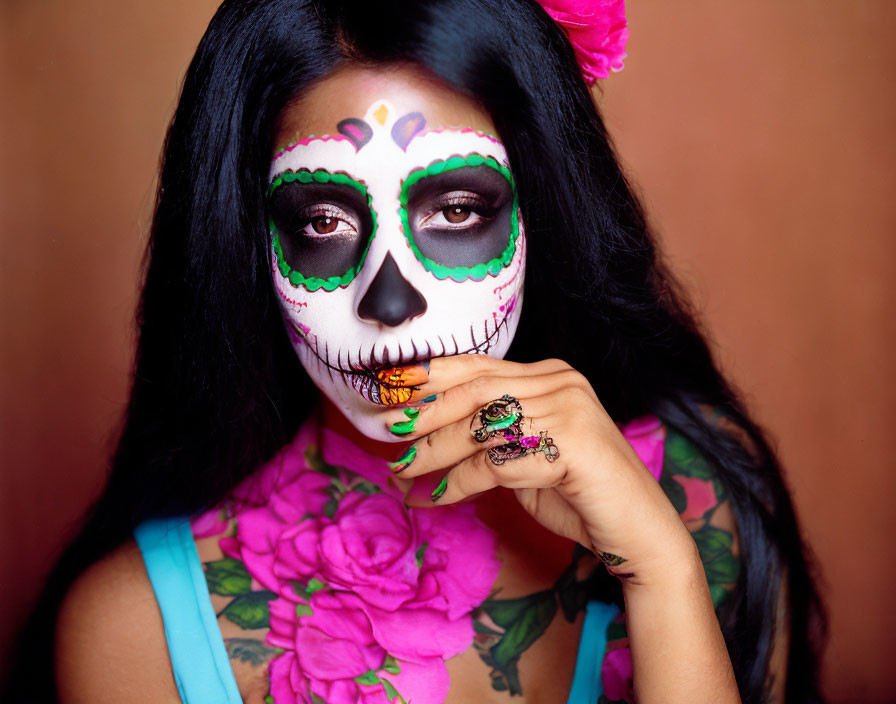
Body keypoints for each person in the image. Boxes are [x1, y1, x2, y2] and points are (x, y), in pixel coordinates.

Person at [4, 1, 825, 702]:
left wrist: (662, 573)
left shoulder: (703, 502)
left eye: (457, 208)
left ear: (544, 204)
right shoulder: (134, 631)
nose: (390, 303)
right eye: (323, 223)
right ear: (247, 245)